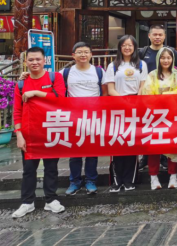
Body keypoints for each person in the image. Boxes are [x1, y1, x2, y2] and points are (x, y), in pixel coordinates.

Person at [12, 47, 67, 218]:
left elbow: (60, 98)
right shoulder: (21, 84)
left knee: (51, 168)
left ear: (44, 61)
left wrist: (36, 93)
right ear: (26, 62)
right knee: (29, 170)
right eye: (31, 60)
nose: (34, 62)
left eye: (38, 59)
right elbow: (17, 111)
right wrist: (19, 135)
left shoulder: (54, 77)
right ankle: (27, 202)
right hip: (29, 134)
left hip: (51, 131)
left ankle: (51, 200)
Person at [62, 42, 107, 196]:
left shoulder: (99, 72)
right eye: (79, 52)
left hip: (93, 117)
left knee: (92, 151)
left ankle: (91, 181)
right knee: (74, 151)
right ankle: (74, 182)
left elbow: (105, 93)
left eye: (86, 52)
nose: (83, 55)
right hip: (74, 117)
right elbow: (50, 84)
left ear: (91, 54)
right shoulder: (65, 72)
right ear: (73, 55)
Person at [105, 35, 148, 192]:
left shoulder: (141, 64)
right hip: (118, 107)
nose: (127, 48)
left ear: (135, 47)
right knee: (117, 143)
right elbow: (110, 89)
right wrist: (125, 102)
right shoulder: (113, 66)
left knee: (132, 144)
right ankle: (117, 180)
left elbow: (143, 86)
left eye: (130, 45)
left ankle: (129, 180)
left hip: (135, 107)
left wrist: (135, 102)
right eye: (124, 45)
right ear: (120, 47)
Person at [141, 47, 177, 190]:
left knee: (173, 146)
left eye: (168, 58)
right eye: (163, 58)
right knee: (154, 147)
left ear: (173, 59)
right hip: (156, 116)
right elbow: (147, 94)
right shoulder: (152, 75)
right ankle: (153, 177)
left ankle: (173, 175)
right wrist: (168, 96)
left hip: (173, 116)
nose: (166, 60)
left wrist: (162, 96)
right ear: (158, 59)